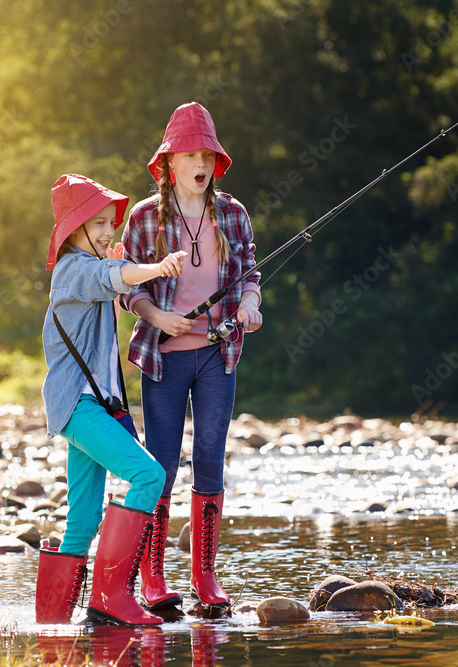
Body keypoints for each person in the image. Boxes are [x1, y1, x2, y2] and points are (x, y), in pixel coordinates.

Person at [120, 102, 262, 612]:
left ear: (216, 162)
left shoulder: (233, 214)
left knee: (209, 458)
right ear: (169, 163)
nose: (200, 163)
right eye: (189, 154)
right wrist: (156, 318)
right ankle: (152, 577)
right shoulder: (142, 218)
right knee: (160, 466)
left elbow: (249, 274)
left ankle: (206, 578)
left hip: (218, 355)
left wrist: (250, 305)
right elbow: (125, 286)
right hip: (163, 359)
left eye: (207, 154)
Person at [36, 173, 187, 626]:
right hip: (79, 407)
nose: (107, 231)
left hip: (86, 406)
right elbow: (114, 275)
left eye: (109, 222)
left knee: (82, 516)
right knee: (149, 474)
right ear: (72, 230)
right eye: (96, 223)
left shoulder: (85, 268)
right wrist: (158, 268)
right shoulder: (75, 269)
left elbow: (113, 277)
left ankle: (53, 621)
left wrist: (123, 268)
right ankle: (110, 597)